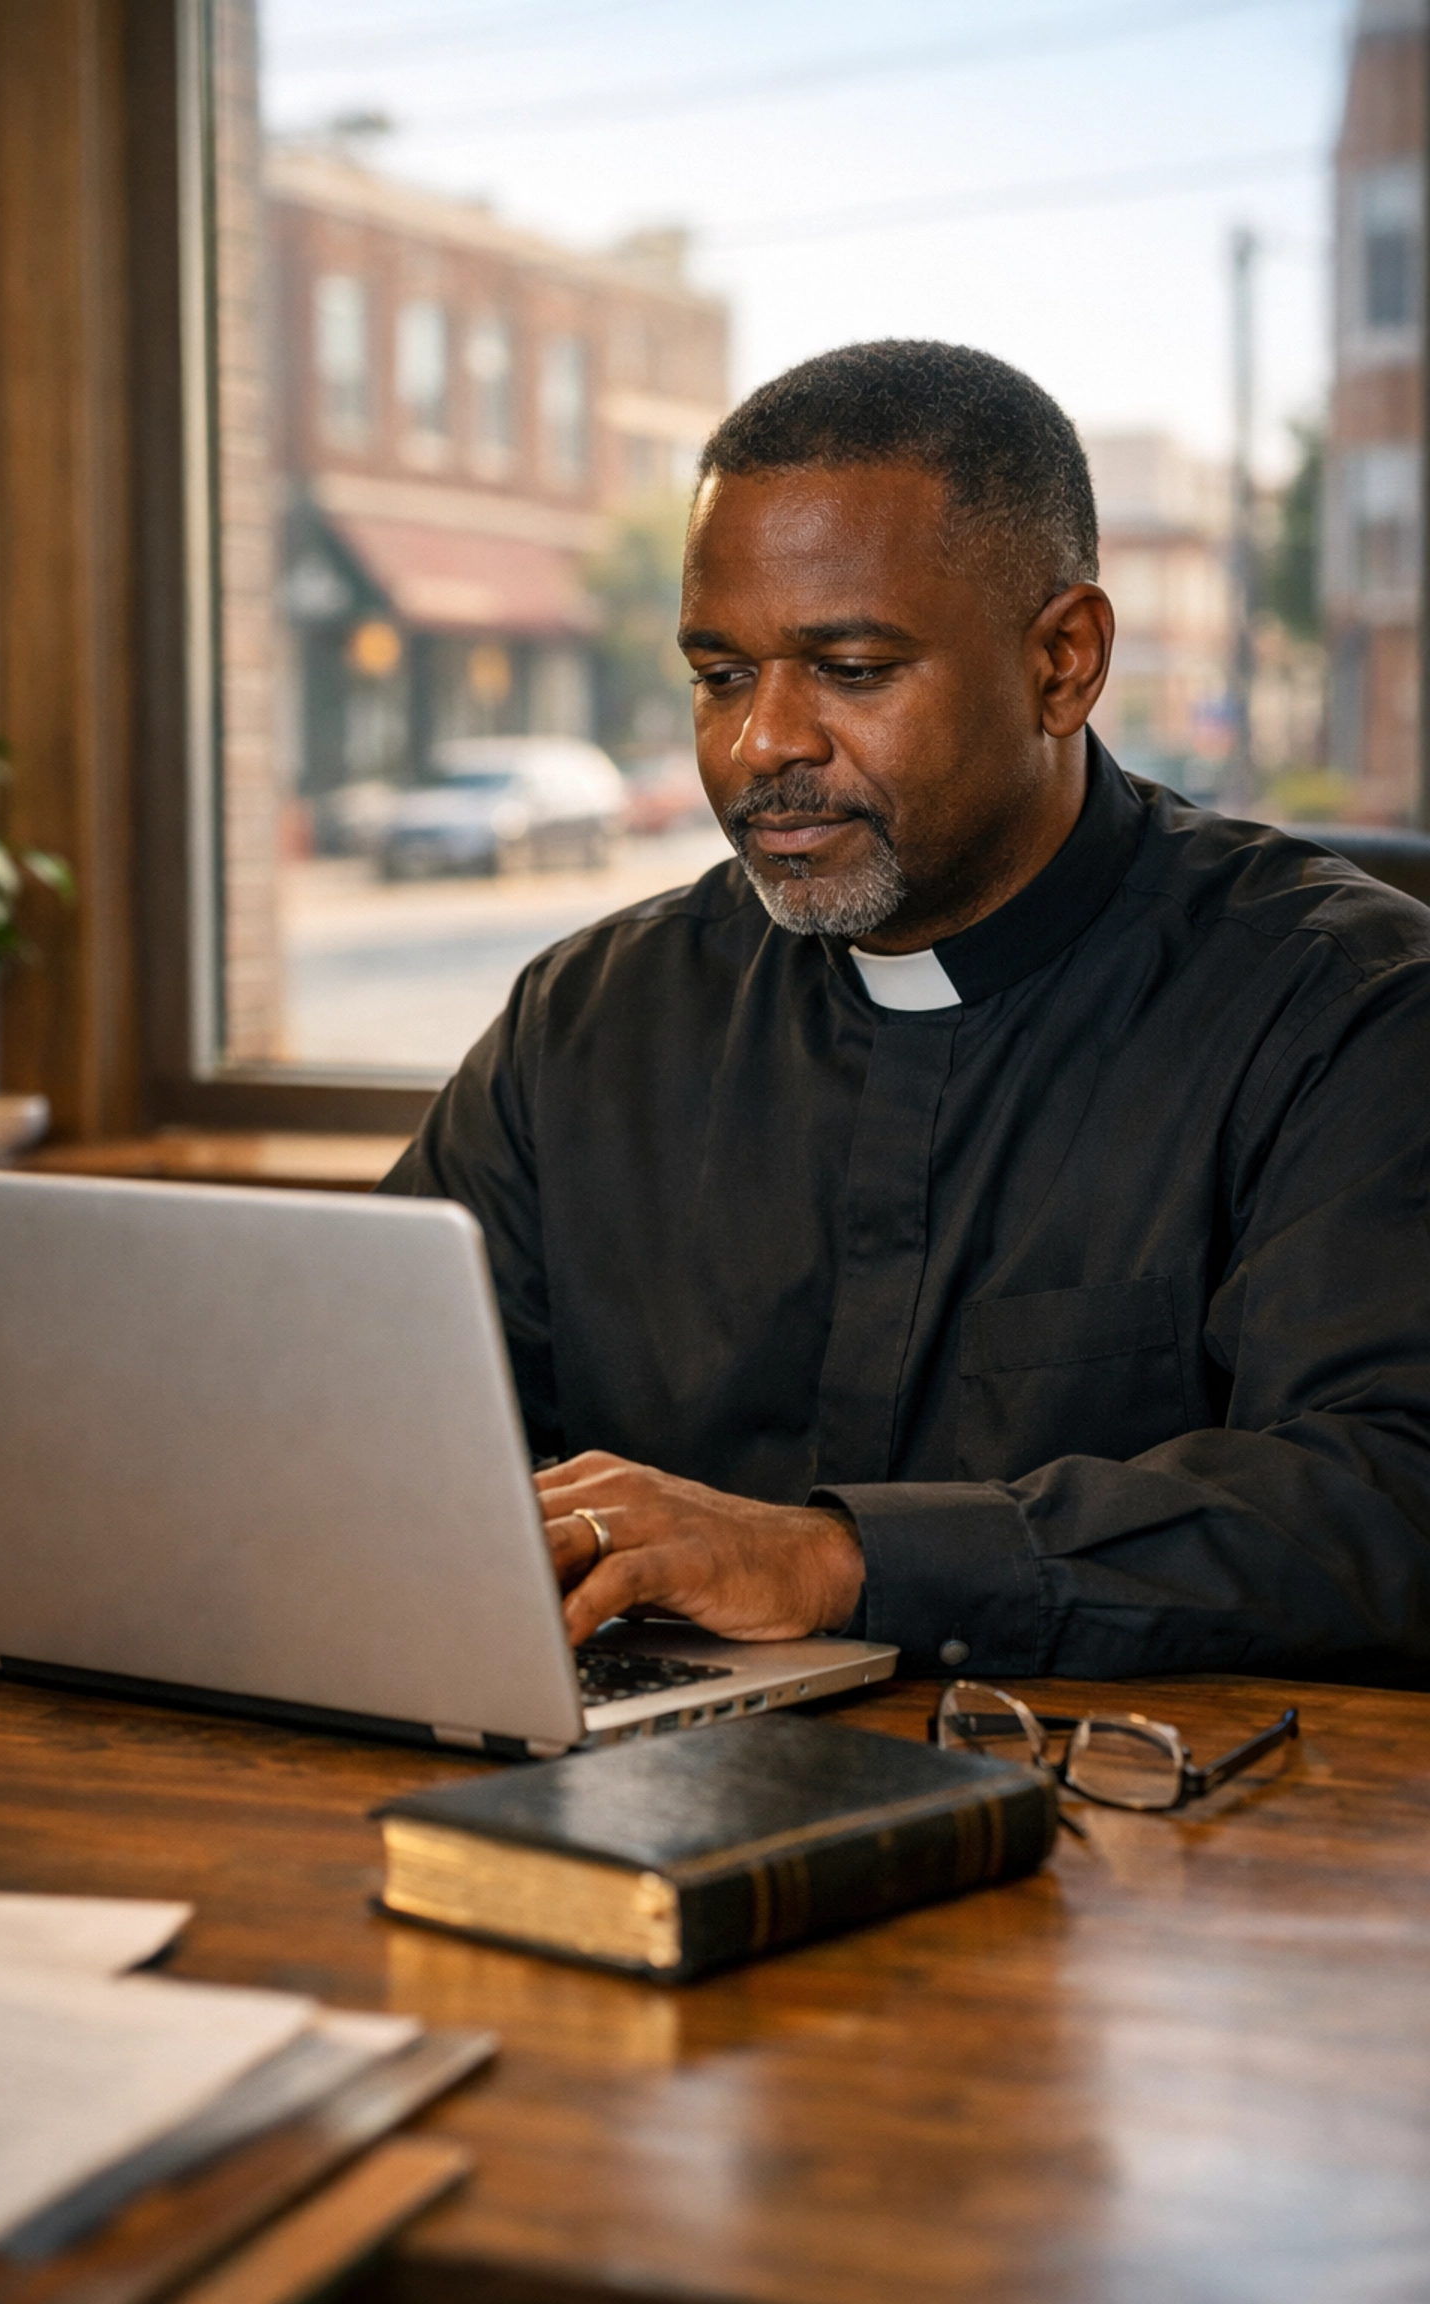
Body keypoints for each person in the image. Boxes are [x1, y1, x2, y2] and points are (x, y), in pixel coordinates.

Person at [380, 339, 1430, 1686]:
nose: (765, 743)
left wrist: (833, 1561)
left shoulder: (1347, 1011)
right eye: (718, 675)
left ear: (1062, 662)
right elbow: (375, 1419)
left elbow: (1387, 1495)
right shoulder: (585, 1025)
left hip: (1139, 1837)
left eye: (853, 669)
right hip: (640, 1796)